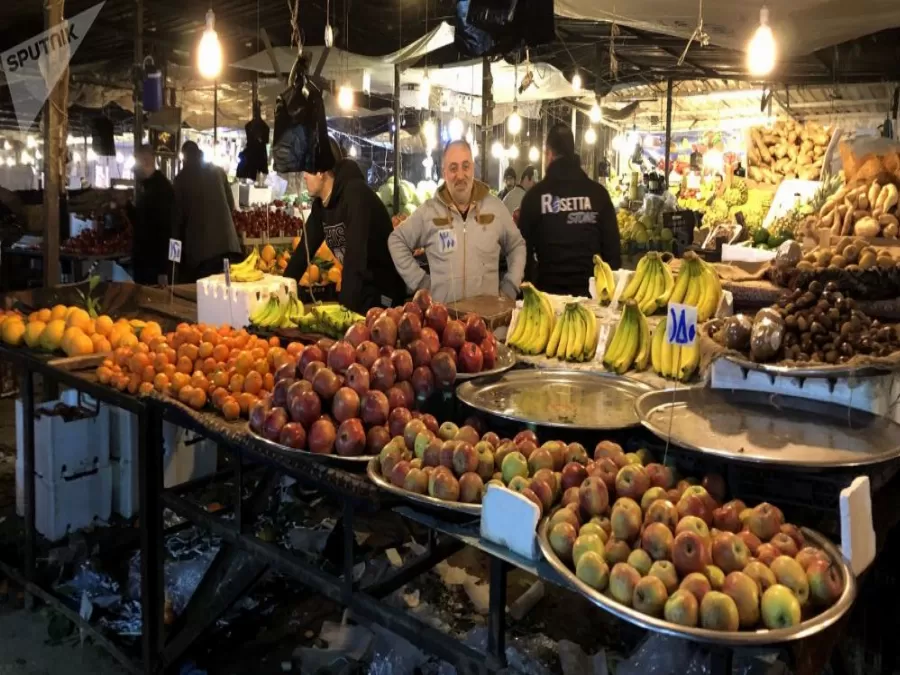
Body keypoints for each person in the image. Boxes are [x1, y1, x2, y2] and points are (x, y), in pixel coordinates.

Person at [388, 140, 526, 303]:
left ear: (473, 168)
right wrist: (422, 283)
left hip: (487, 324)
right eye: (453, 168)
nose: (460, 175)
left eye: (465, 166)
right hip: (444, 322)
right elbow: (396, 240)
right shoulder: (429, 212)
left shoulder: (495, 208)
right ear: (444, 172)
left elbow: (517, 245)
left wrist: (510, 286)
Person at [284, 139, 406, 313]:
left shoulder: (355, 194)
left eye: (307, 170)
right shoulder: (321, 206)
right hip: (359, 292)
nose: (304, 176)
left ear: (321, 171)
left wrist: (344, 315)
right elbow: (303, 252)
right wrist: (281, 290)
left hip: (383, 296)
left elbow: (356, 260)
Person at [517, 123, 621, 297]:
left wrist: (526, 298)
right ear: (573, 152)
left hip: (547, 304)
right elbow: (614, 255)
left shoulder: (534, 198)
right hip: (592, 304)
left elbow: (522, 257)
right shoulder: (598, 195)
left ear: (548, 154)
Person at [172, 141, 242, 281]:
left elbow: (176, 222)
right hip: (229, 248)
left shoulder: (181, 179)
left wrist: (173, 261)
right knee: (227, 294)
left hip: (201, 256)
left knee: (207, 298)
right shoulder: (218, 171)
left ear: (184, 158)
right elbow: (231, 205)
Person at [131, 146, 177, 285]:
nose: (134, 168)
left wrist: (163, 270)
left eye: (136, 162)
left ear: (146, 160)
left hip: (152, 265)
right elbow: (142, 220)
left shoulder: (161, 189)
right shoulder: (149, 187)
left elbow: (165, 229)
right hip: (146, 262)